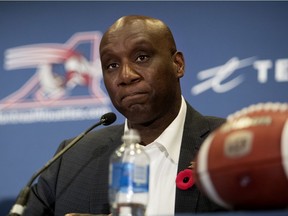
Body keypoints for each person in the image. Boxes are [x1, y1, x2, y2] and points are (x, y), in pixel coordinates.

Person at [22, 15, 226, 216]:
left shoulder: (230, 143)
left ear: (178, 64)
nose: (126, 76)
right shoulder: (72, 159)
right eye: (112, 65)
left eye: (142, 57)